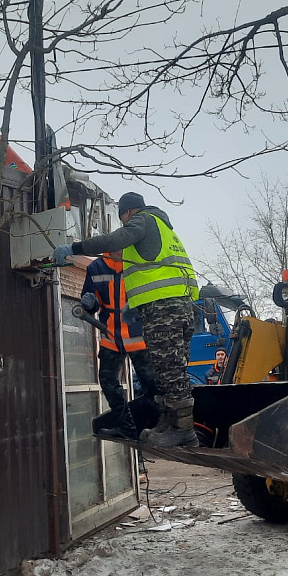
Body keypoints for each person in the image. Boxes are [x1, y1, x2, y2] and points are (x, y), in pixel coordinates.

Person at [54, 191, 200, 448]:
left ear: (128, 212)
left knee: (163, 379)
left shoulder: (142, 226)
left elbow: (121, 237)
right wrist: (90, 302)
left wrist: (75, 249)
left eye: (125, 220)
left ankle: (177, 430)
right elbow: (92, 296)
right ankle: (148, 427)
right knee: (147, 378)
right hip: (117, 333)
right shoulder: (159, 235)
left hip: (149, 325)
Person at [81, 251, 157, 439]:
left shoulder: (137, 261)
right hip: (111, 335)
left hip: (138, 333)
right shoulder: (96, 267)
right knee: (107, 381)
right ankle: (127, 427)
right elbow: (91, 303)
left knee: (152, 384)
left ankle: (157, 426)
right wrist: (90, 304)